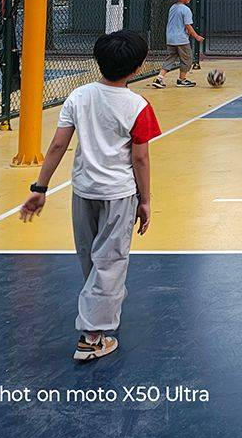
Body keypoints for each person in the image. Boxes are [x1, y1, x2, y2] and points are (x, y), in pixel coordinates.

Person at [19, 30, 161, 361]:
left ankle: (99, 310)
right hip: (118, 194)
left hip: (83, 191)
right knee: (110, 261)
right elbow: (140, 158)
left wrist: (40, 188)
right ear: (138, 68)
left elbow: (57, 145)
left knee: (90, 256)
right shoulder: (138, 106)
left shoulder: (78, 96)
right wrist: (145, 199)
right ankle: (92, 337)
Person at [151, 0, 203, 88]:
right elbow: (188, 26)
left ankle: (159, 78)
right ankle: (182, 80)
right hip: (181, 40)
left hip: (170, 39)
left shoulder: (173, 7)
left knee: (170, 59)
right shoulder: (186, 10)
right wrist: (196, 36)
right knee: (187, 59)